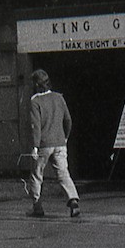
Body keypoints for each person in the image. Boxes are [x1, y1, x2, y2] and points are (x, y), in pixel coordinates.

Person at [28, 68, 80, 219]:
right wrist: (65, 137)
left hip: (43, 144)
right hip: (60, 143)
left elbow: (35, 126)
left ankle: (37, 207)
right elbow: (68, 120)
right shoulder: (59, 97)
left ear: (37, 85)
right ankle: (73, 201)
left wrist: (35, 147)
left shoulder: (35, 101)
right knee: (63, 173)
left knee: (37, 175)